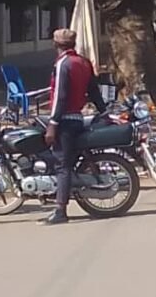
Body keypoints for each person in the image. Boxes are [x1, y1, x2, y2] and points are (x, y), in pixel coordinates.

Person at [40, 29, 107, 226]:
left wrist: (53, 124)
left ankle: (60, 210)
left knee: (63, 165)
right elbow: (94, 91)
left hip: (64, 121)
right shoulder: (84, 63)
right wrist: (104, 112)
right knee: (66, 162)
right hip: (77, 118)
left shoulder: (63, 64)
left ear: (56, 45)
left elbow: (60, 96)